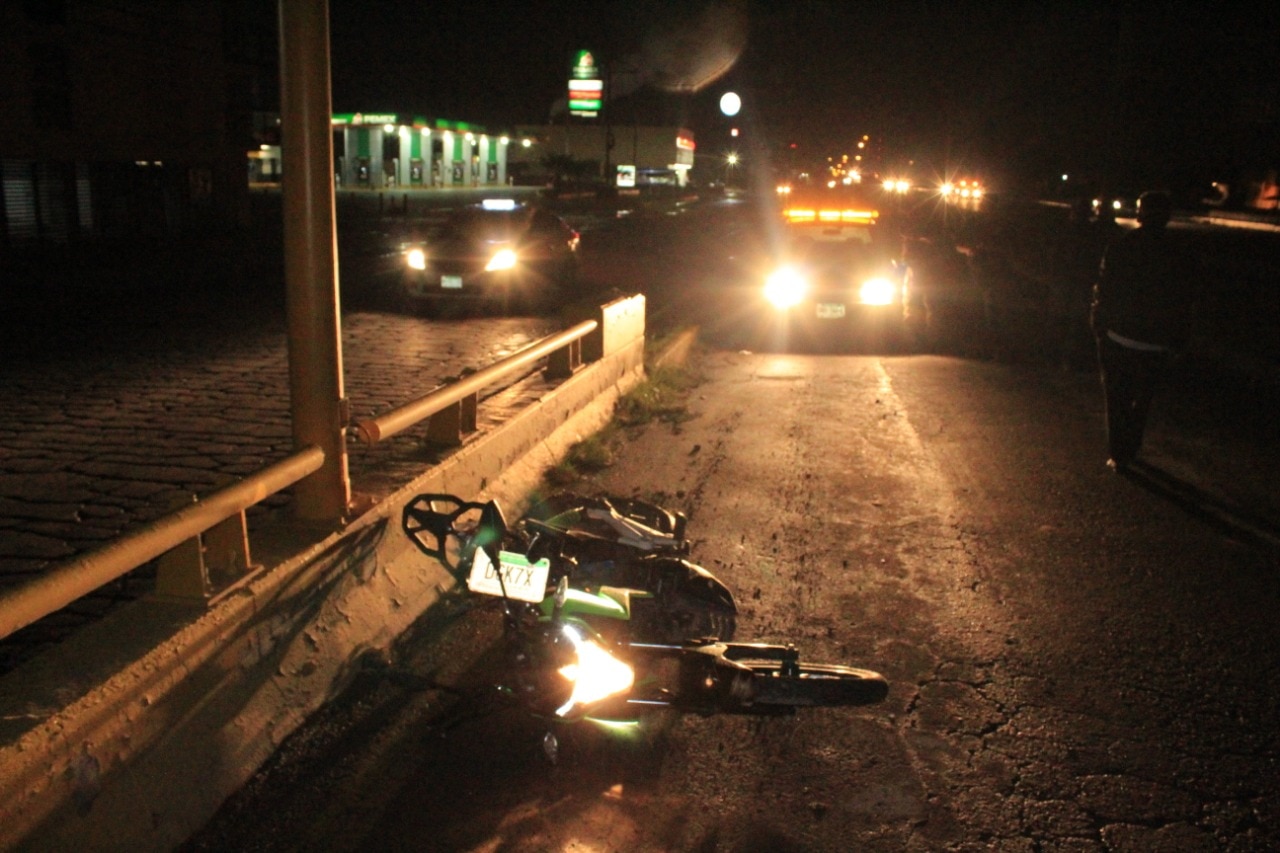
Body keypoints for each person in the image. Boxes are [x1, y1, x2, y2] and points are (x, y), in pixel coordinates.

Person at [1090, 190, 1198, 472]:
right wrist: (1179, 340)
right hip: (1156, 342)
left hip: (1120, 336)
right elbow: (1184, 300)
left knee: (1117, 399)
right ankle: (1132, 446)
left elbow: (1105, 288)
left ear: (1140, 214)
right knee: (1143, 400)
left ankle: (1119, 454)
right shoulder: (1181, 253)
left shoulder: (1122, 246)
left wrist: (1099, 324)